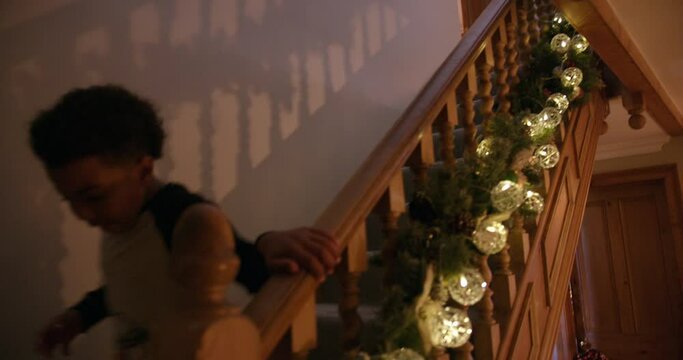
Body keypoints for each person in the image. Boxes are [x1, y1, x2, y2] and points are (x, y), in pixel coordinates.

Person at [30, 85, 340, 358]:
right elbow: (129, 285)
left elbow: (244, 267)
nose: (82, 214)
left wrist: (266, 243)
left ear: (143, 170)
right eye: (69, 200)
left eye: (94, 197)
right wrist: (79, 317)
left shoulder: (180, 214)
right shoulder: (120, 224)